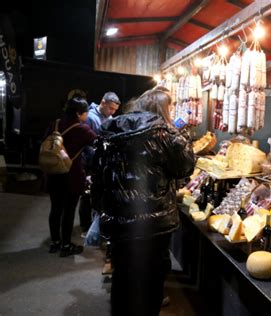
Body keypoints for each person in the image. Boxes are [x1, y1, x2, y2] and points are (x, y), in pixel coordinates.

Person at [91, 87, 195, 315]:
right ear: (162, 109)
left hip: (117, 219)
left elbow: (97, 171)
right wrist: (182, 134)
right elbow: (185, 167)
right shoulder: (164, 134)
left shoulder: (111, 129)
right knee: (151, 277)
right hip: (154, 221)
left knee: (123, 274)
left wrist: (101, 207)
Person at [45, 97, 97, 257]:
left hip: (53, 174)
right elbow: (100, 143)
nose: (87, 116)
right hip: (71, 177)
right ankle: (66, 245)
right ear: (78, 113)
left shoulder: (54, 124)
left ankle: (55, 242)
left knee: (55, 209)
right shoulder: (82, 129)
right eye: (85, 113)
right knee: (68, 211)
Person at [79, 91, 121, 235]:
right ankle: (85, 226)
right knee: (86, 195)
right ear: (103, 102)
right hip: (89, 162)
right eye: (110, 108)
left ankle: (94, 226)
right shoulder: (90, 118)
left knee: (97, 195)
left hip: (102, 162)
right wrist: (96, 155)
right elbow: (84, 142)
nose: (112, 112)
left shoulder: (109, 117)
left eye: (115, 110)